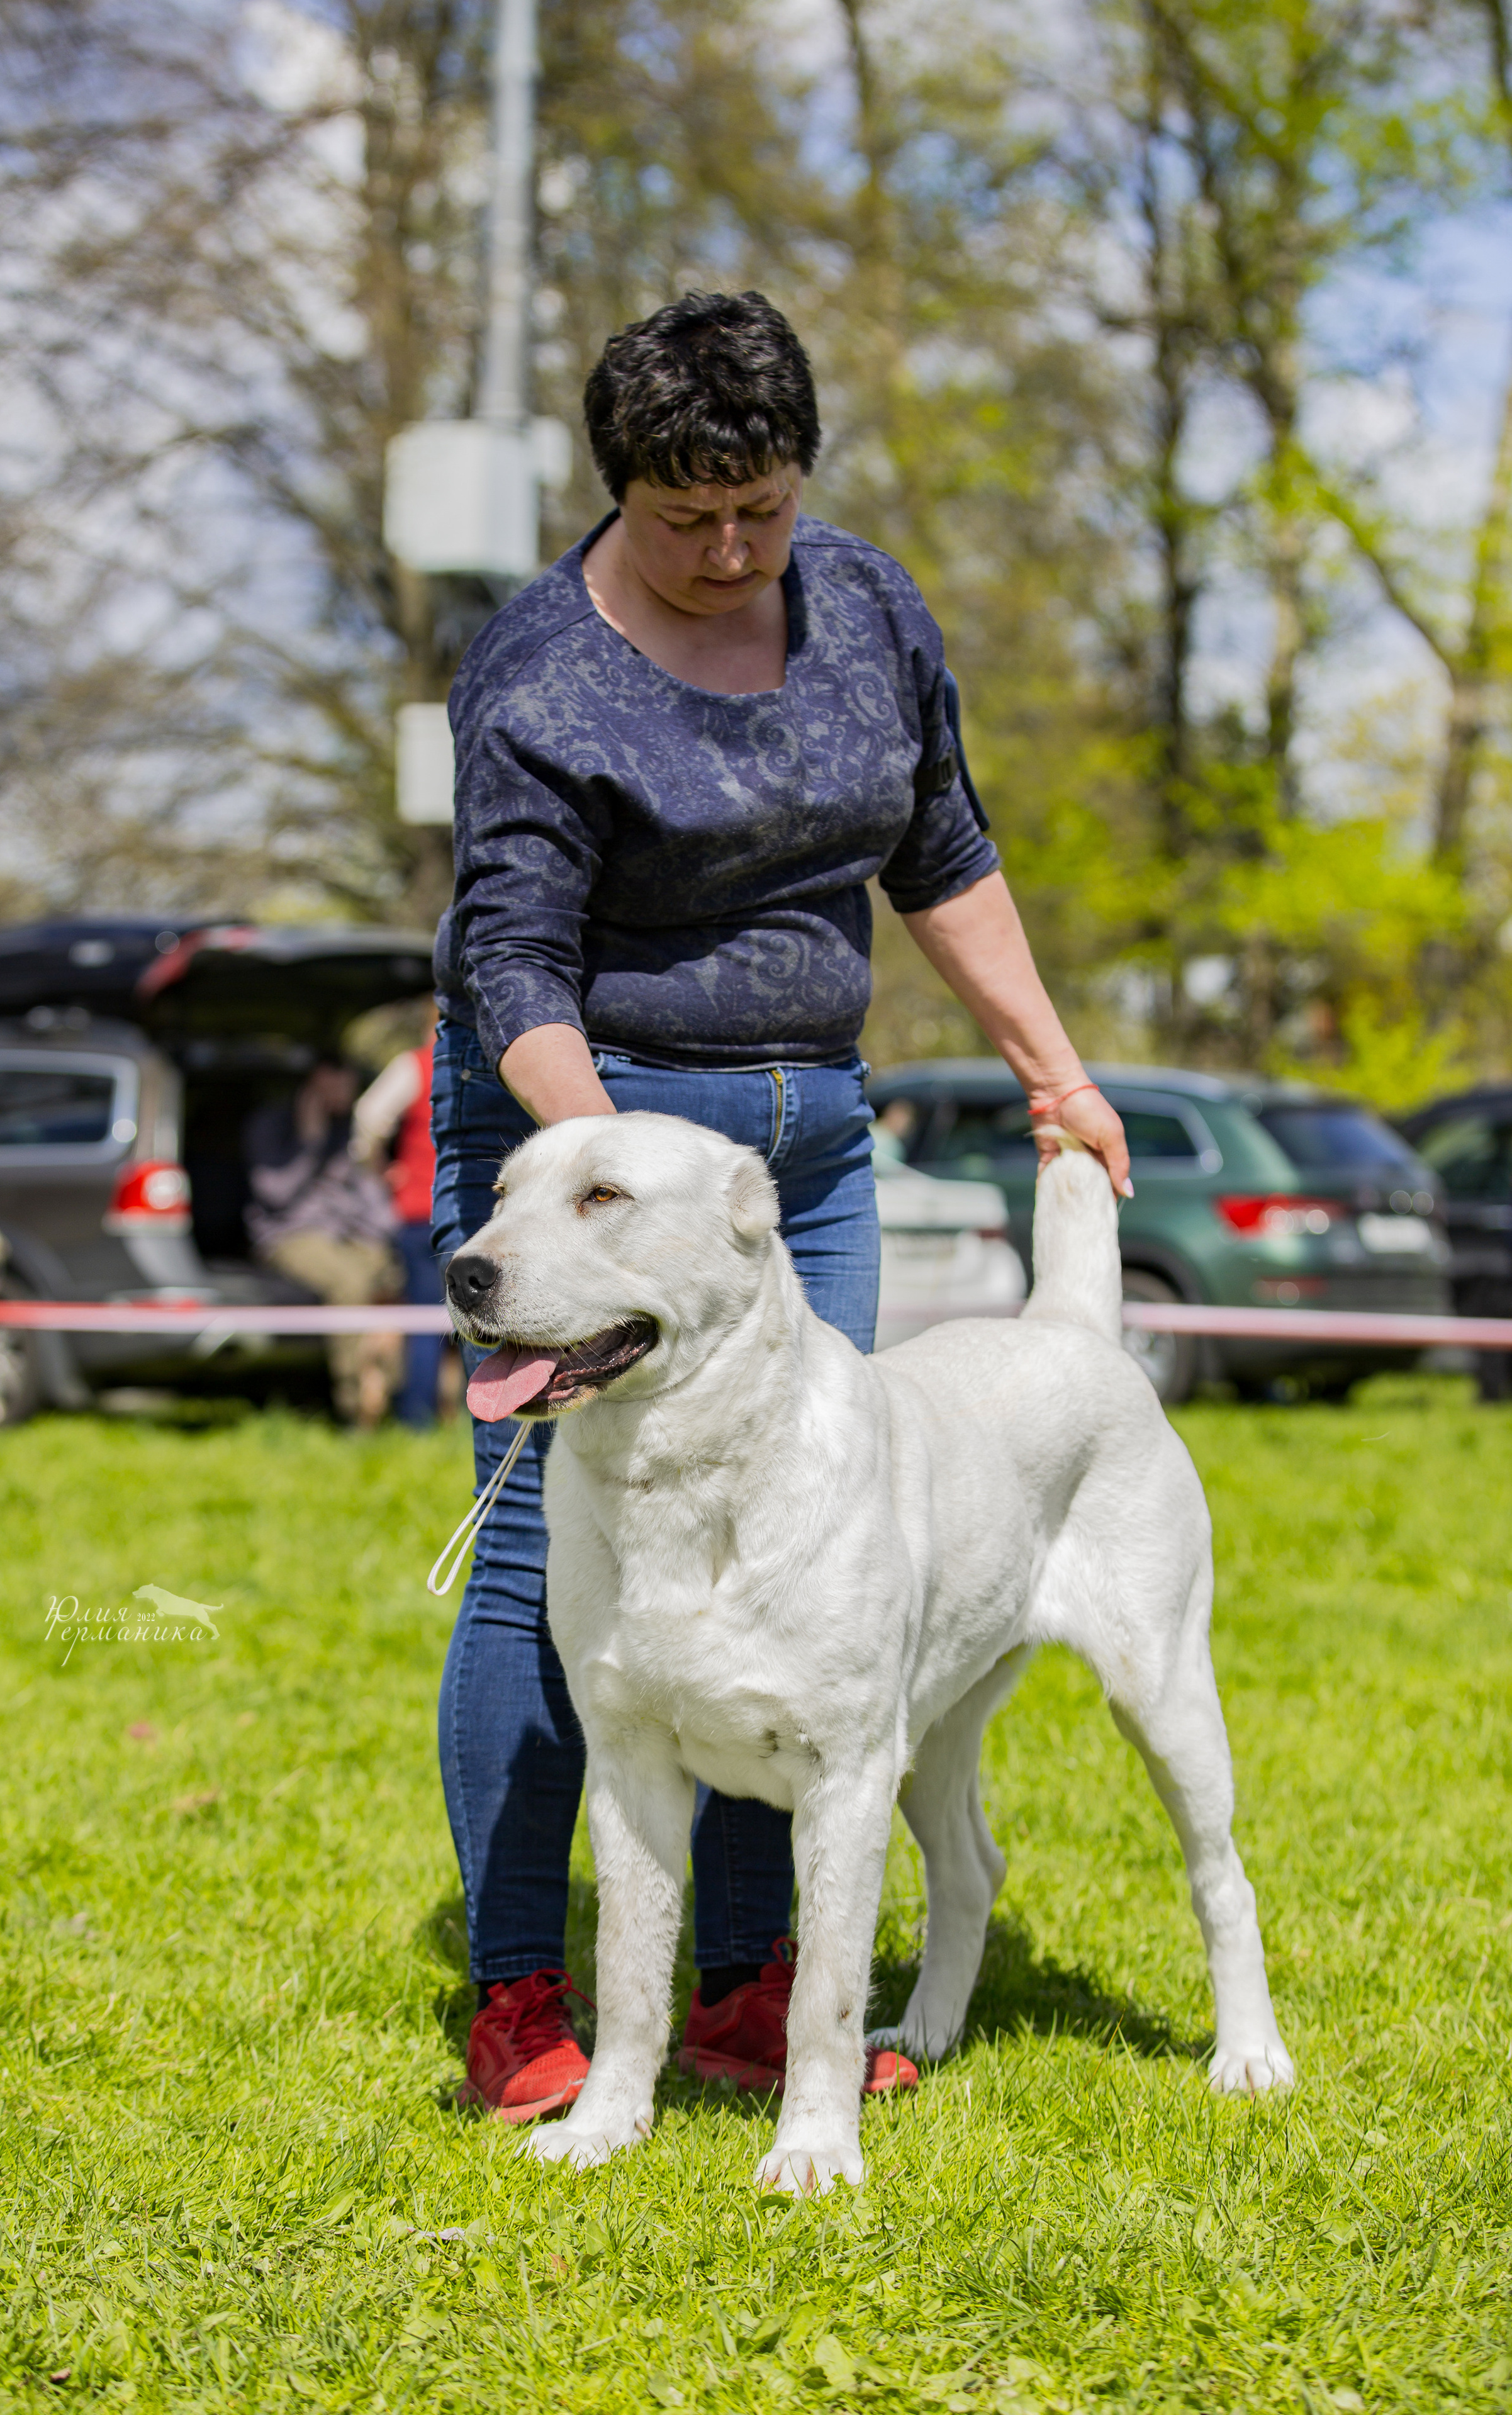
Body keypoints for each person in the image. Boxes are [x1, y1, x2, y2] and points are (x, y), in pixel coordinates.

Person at [430, 289, 1131, 2122]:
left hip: (802, 1146)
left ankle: (755, 1985)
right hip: (582, 1119)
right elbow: (512, 957)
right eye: (689, 519)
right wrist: (611, 1194)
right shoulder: (540, 672)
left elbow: (942, 850)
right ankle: (523, 1989)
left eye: (765, 508)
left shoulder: (869, 609)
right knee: (547, 1559)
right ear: (620, 491)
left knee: (810, 1543)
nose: (733, 551)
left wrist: (1054, 1071)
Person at [244, 1056, 402, 1428]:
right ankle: (354, 1406)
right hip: (288, 1235)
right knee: (351, 1283)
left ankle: (387, 1394)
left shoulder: (346, 1127)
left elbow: (366, 1194)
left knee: (394, 1275)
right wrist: (310, 1141)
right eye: (341, 1086)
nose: (349, 1096)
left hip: (348, 1234)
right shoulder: (271, 1124)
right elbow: (275, 1193)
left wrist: (388, 1232)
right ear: (319, 1081)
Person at [351, 1037, 452, 1428]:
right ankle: (486, 1421)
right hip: (477, 1212)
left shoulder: (416, 1064)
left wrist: (378, 1169)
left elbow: (368, 1116)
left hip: (420, 1208)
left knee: (425, 1320)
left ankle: (417, 1418)